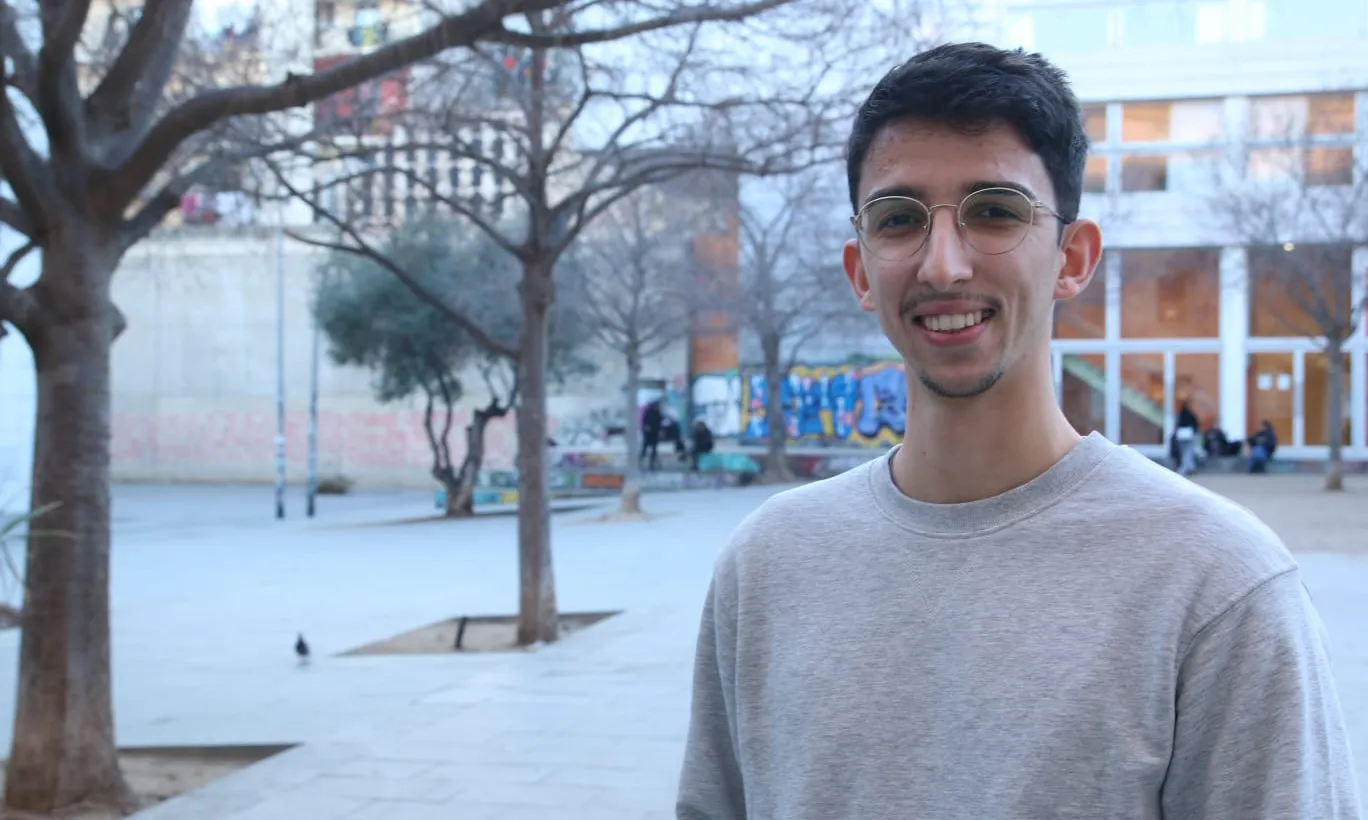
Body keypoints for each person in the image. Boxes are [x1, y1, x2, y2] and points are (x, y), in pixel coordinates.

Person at [677, 43, 1361, 820]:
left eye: (994, 212)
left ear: (1073, 257)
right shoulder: (766, 567)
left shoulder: (1217, 584)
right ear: (861, 270)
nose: (943, 265)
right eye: (898, 219)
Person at [1171, 400, 1201, 476]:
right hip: (1189, 436)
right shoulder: (1191, 415)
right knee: (1188, 453)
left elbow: (1176, 426)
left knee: (1184, 453)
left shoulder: (1180, 416)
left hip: (1181, 437)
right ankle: (1186, 468)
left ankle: (1187, 468)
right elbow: (1196, 425)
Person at [640, 400, 662, 472]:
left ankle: (651, 464)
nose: (657, 408)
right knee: (645, 448)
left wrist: (659, 431)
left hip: (655, 433)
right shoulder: (648, 413)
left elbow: (659, 423)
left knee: (654, 449)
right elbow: (645, 422)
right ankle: (641, 461)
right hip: (648, 433)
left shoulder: (658, 414)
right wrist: (646, 428)